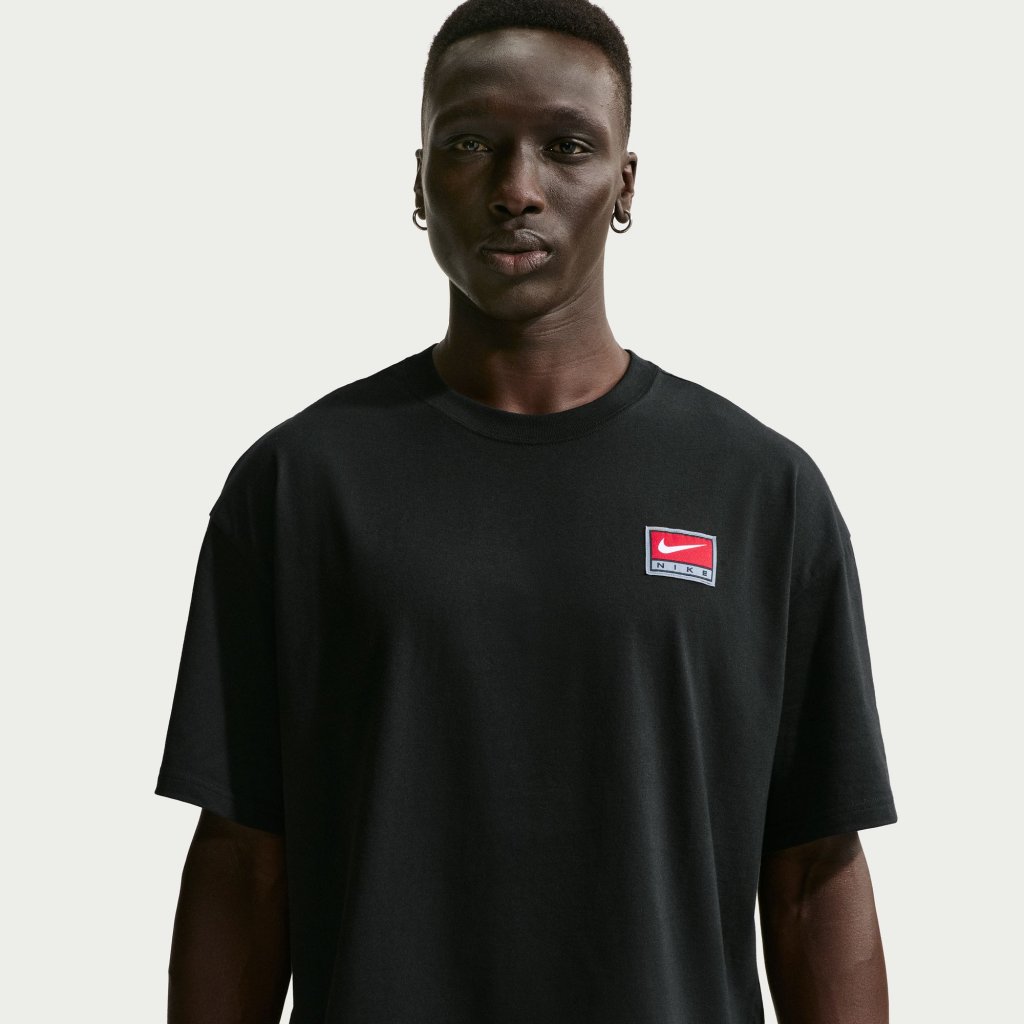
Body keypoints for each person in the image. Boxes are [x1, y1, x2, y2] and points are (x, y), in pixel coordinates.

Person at [155, 1, 898, 1021]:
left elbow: (814, 871)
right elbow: (244, 867)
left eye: (566, 146)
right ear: (419, 180)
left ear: (624, 184)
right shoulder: (298, 486)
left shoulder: (762, 493)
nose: (516, 188)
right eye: (470, 143)